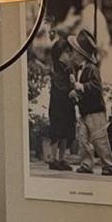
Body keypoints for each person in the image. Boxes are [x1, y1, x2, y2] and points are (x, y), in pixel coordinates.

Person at [72, 28, 112, 176]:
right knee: (83, 138)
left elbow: (96, 87)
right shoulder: (81, 69)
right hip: (85, 110)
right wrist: (76, 93)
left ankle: (108, 164)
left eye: (75, 52)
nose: (73, 54)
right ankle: (86, 163)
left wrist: (82, 87)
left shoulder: (92, 69)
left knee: (99, 139)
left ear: (81, 54)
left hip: (95, 111)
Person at [43, 34, 77, 171]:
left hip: (67, 106)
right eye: (66, 52)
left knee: (65, 134)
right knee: (56, 133)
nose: (69, 55)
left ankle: (62, 159)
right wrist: (70, 87)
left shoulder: (68, 69)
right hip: (58, 106)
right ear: (59, 54)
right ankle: (53, 159)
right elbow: (60, 87)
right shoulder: (56, 69)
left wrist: (73, 84)